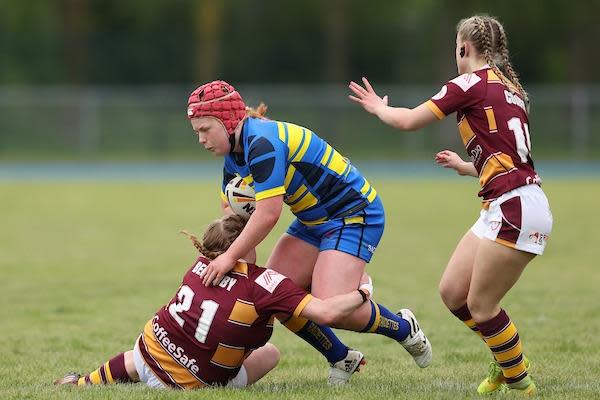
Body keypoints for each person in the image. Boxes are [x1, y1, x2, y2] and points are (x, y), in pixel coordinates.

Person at [348, 14, 552, 396]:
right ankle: (506, 358)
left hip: (515, 206)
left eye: (456, 48)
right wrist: (466, 167)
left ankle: (520, 381)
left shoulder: (469, 81)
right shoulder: (509, 87)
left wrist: (378, 107)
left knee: (482, 305)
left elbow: (409, 120)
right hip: (508, 202)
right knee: (453, 293)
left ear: (464, 48)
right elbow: (508, 157)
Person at [186, 80, 432, 383]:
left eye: (205, 129)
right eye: (196, 131)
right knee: (274, 295)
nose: (200, 139)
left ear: (228, 121)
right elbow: (235, 223)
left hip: (353, 214)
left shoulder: (261, 143)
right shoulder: (233, 159)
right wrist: (233, 270)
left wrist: (226, 261)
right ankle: (342, 358)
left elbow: (268, 215)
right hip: (312, 221)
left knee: (332, 307)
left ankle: (404, 328)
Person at [54, 214, 374, 390]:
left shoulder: (199, 263)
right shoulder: (264, 284)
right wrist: (363, 293)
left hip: (148, 349)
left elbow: (226, 226)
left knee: (138, 356)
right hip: (195, 382)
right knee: (271, 353)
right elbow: (326, 312)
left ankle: (83, 383)